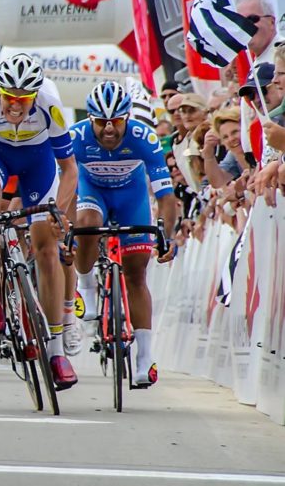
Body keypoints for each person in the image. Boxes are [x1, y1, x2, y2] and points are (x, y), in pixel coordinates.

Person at [0, 53, 79, 390]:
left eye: (23, 100)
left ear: (35, 96)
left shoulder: (50, 106)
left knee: (46, 250)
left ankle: (56, 353)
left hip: (39, 163)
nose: (15, 106)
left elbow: (69, 170)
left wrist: (59, 211)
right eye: (9, 98)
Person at [71, 81, 179, 387]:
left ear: (127, 117)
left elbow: (166, 196)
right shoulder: (75, 137)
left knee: (136, 272)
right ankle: (87, 286)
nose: (109, 129)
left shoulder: (144, 138)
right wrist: (66, 228)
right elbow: (64, 185)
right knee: (88, 221)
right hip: (92, 192)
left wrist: (167, 236)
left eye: (117, 121)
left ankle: (145, 357)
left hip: (132, 198)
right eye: (101, 122)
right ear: (89, 118)